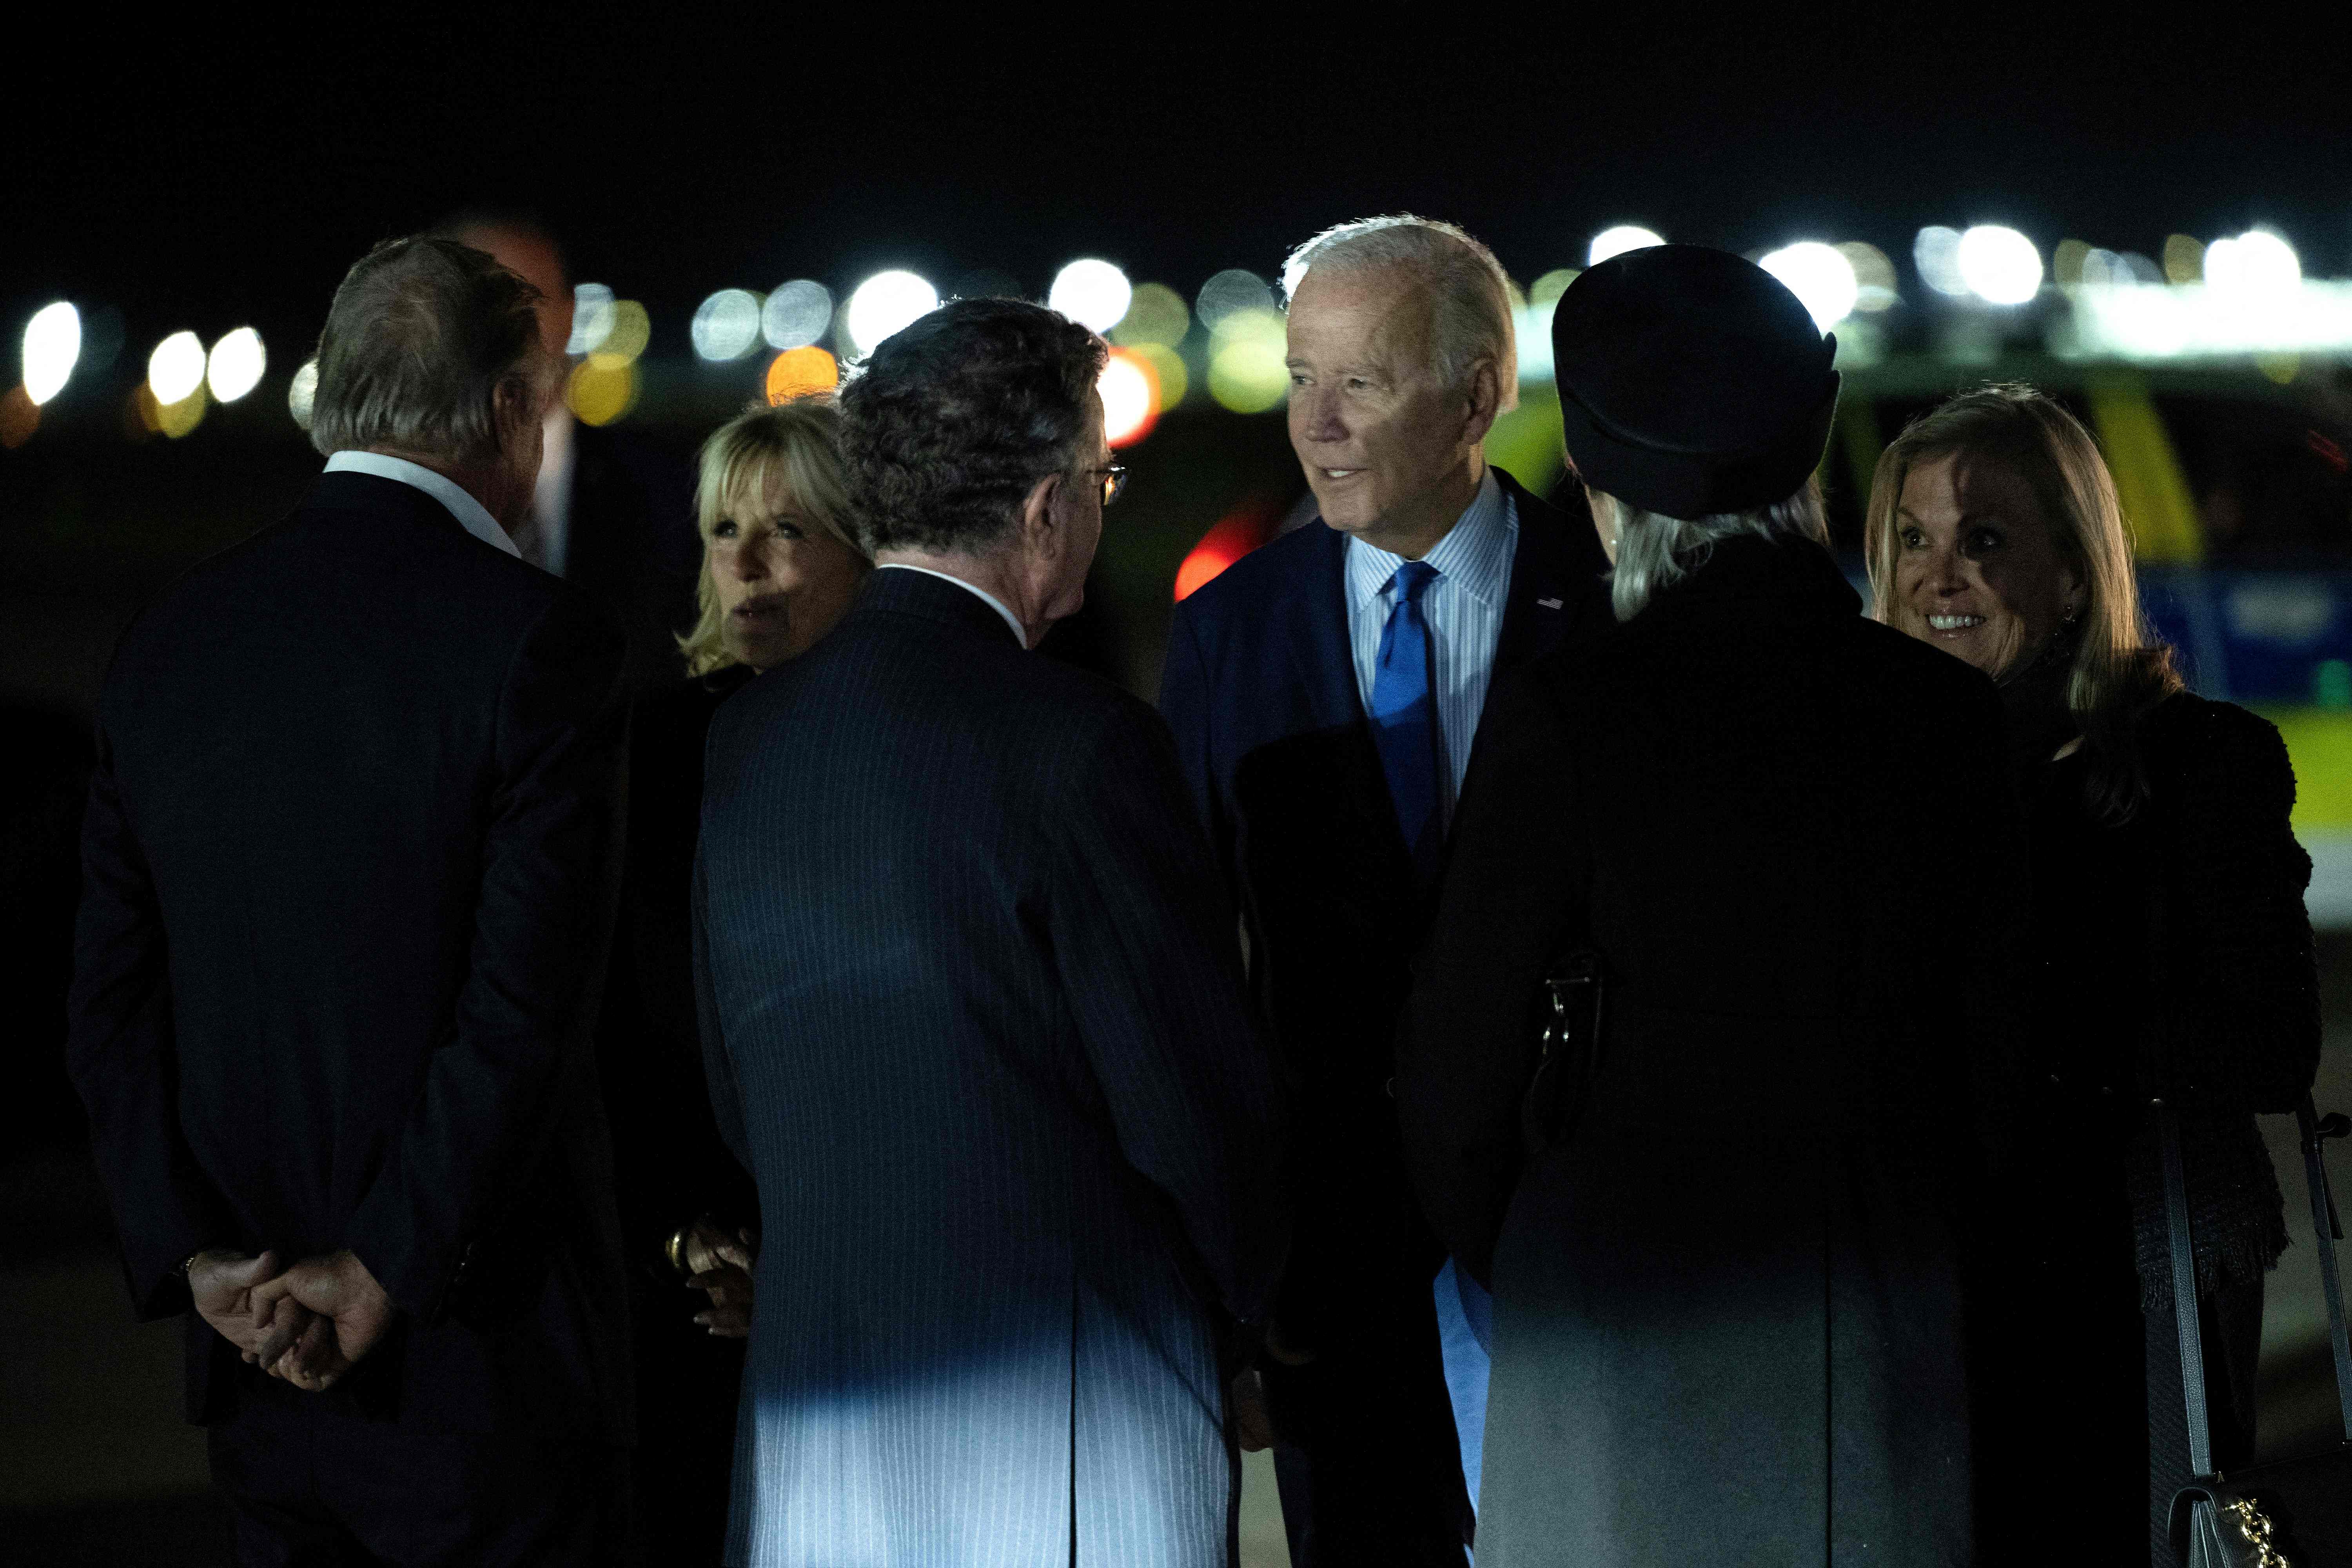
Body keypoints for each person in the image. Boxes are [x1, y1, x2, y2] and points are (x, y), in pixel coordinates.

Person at [1394, 245, 2030, 1565]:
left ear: (1601, 486)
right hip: (1881, 1312)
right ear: (1811, 472)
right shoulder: (1948, 721)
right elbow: (2005, 1071)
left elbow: (1455, 1080)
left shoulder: (1573, 717)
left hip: (1621, 1319)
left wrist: (1550, 1245)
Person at [65, 236, 634, 1563]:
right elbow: (524, 1008)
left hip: (253, 1356)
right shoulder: (535, 644)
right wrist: (385, 1266)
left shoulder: (170, 643)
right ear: (506, 408)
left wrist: (197, 1255)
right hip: (479, 1368)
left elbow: (106, 1002)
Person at [695, 297, 1288, 1567]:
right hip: (1067, 1429)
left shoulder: (745, 745)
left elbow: (742, 1093)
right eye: (1101, 475)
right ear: (1042, 509)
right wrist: (1274, 1327)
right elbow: (1190, 1115)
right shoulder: (1079, 749)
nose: (1104, 502)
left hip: (815, 1437)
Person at [1158, 214, 1612, 1563]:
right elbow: (1190, 976)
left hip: (1568, 1256)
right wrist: (1232, 1287)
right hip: (1330, 1285)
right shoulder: (1226, 632)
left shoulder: (1607, 615)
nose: (1318, 424)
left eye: (1362, 379)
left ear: (1479, 395)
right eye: (1300, 377)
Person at [1864, 384, 2321, 1563]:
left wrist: (2029, 1037)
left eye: (1984, 538)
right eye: (1908, 538)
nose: (1935, 574)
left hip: (2134, 1268)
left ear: (2074, 572)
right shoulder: (1862, 782)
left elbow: (2269, 1039)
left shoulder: (2198, 761)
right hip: (1917, 1277)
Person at [597, 396, 870, 1564]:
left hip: (886, 1281)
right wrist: (686, 1239)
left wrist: (814, 1264)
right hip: (696, 1292)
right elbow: (605, 1026)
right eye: (723, 530)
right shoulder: (650, 757)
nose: (748, 565)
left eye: (790, 530)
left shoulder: (908, 747)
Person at [443, 213, 701, 691]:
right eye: (479, 302)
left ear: (567, 313)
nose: (505, 325)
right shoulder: (395, 493)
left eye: (525, 298)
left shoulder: (669, 492)